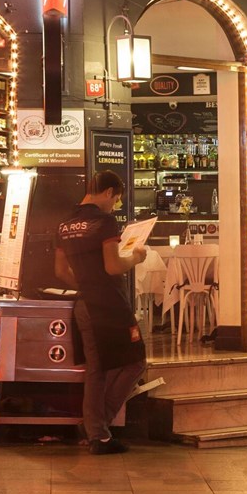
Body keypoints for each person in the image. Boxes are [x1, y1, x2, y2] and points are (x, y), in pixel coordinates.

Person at [54, 170, 147, 455]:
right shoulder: (105, 221)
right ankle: (99, 428)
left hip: (84, 304)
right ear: (108, 192)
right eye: (116, 200)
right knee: (136, 362)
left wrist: (85, 284)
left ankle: (96, 431)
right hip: (110, 304)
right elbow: (113, 267)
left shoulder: (65, 224)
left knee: (96, 371)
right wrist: (136, 257)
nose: (115, 205)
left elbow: (59, 271)